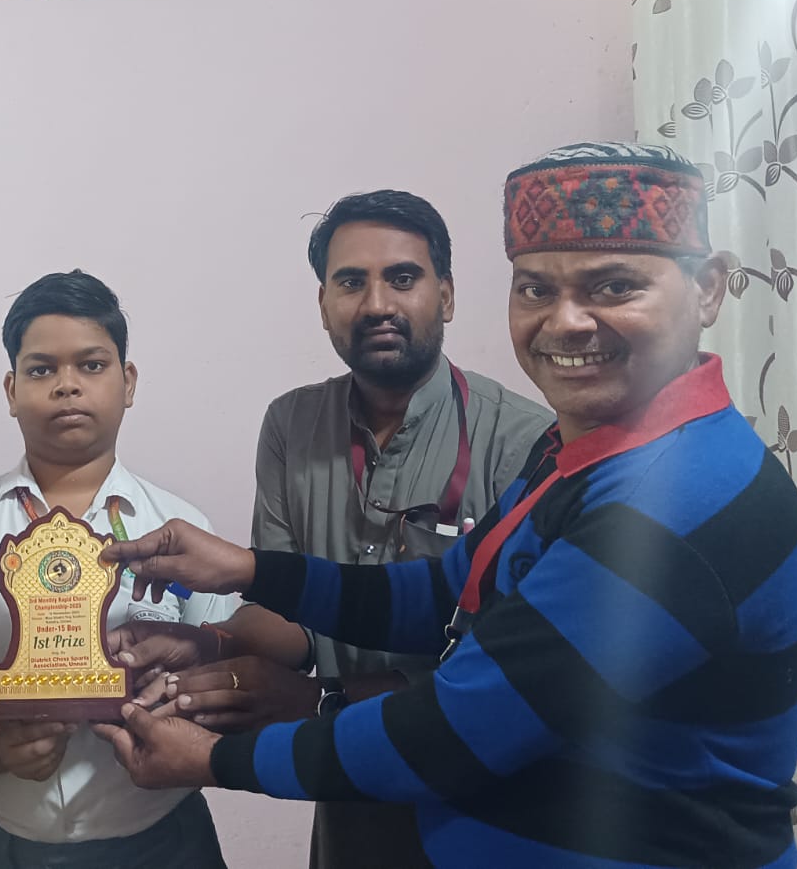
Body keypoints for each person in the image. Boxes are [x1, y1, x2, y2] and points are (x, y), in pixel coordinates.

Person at [97, 143, 797, 868]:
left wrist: (217, 758)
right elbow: (442, 591)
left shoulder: (677, 497)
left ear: (708, 289)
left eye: (614, 286)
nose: (567, 322)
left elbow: (456, 731)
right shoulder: (577, 453)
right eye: (535, 289)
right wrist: (248, 571)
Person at [119, 190, 552, 867]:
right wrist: (209, 645)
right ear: (324, 304)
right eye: (351, 282)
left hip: (481, 805)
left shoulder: (526, 442)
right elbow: (295, 620)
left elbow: (507, 671)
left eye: (402, 278)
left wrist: (320, 700)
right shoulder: (292, 425)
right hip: (346, 802)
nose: (377, 303)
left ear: (446, 296)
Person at [0, 270, 236, 868]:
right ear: (11, 390)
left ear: (128, 382)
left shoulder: (182, 528)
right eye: (41, 369)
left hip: (164, 844)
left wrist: (179, 706)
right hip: (6, 849)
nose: (67, 385)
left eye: (92, 365)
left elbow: (232, 682)